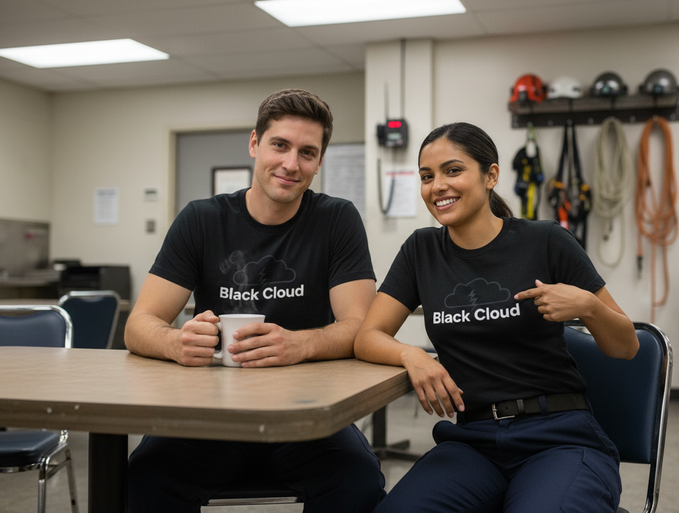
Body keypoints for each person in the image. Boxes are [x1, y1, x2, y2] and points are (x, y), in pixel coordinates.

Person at [354, 122, 639, 512]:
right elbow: (368, 335)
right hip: (474, 440)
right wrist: (413, 355)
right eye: (426, 176)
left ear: (491, 176)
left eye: (453, 171)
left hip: (559, 436)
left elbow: (627, 346)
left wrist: (588, 307)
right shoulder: (421, 250)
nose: (437, 185)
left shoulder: (547, 240)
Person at [125, 89, 384, 512]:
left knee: (358, 483)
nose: (290, 163)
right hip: (210, 417)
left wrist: (299, 344)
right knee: (144, 479)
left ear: (319, 162)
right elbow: (139, 324)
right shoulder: (201, 219)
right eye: (279, 145)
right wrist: (175, 342)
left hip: (305, 417)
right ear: (254, 144)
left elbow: (360, 326)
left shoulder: (336, 219)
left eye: (306, 152)